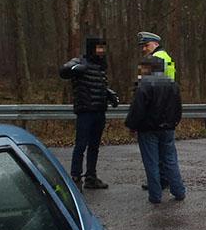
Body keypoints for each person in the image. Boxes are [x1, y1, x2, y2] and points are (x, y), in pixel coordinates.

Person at [59, 37, 119, 190]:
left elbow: (99, 86)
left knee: (94, 146)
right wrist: (74, 69)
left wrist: (109, 94)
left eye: (102, 48)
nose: (101, 51)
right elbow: (64, 71)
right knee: (81, 145)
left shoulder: (100, 67)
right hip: (85, 111)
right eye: (98, 48)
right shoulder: (80, 62)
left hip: (99, 110)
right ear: (91, 48)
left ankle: (91, 177)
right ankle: (75, 176)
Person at [125, 56, 185, 204]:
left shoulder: (144, 85)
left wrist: (132, 126)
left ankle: (155, 195)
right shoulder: (173, 84)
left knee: (151, 162)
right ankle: (179, 191)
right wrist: (174, 122)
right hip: (168, 128)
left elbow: (137, 109)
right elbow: (178, 108)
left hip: (148, 129)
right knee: (170, 160)